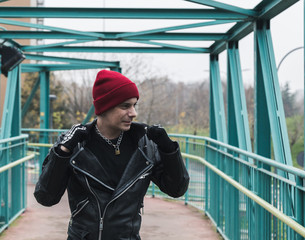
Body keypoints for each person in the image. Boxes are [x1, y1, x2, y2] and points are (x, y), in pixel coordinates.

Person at [34, 69, 190, 240]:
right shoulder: (75, 144)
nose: (133, 113)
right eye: (125, 106)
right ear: (104, 107)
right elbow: (46, 197)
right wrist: (62, 152)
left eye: (134, 105)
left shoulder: (145, 144)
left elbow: (177, 189)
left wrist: (169, 150)